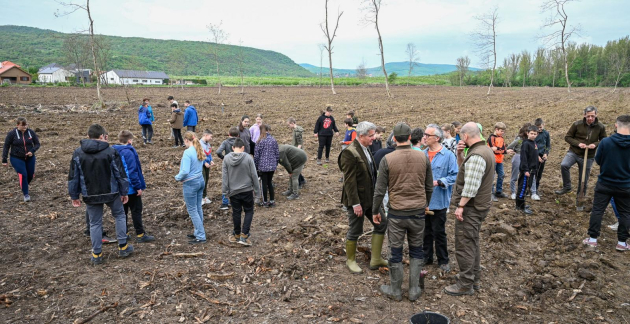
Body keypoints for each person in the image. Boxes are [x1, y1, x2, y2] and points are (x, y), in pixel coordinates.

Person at [372, 123, 433, 301]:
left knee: (395, 251)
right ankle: (414, 290)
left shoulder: (387, 159)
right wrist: (425, 204)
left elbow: (379, 189)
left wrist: (376, 210)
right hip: (417, 213)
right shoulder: (423, 157)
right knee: (416, 249)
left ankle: (395, 290)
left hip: (397, 214)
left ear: (393, 139)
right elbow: (429, 186)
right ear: (409, 137)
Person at [68, 124, 132, 264]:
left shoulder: (78, 153)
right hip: (112, 192)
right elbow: (119, 173)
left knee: (95, 223)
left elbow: (74, 176)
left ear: (88, 136)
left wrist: (74, 195)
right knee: (120, 216)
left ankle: (97, 254)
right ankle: (123, 247)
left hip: (90, 194)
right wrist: (124, 191)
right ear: (102, 136)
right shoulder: (110, 151)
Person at [444, 122, 495, 296]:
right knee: (472, 242)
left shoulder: (477, 156)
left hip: (472, 208)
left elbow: (472, 186)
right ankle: (474, 278)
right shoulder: (483, 150)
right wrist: (459, 154)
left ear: (465, 136)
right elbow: (464, 171)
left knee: (464, 244)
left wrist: (460, 206)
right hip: (479, 206)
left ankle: (465, 284)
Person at [339, 121, 388, 274]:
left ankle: (375, 259)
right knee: (356, 229)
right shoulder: (350, 152)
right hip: (358, 201)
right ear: (361, 136)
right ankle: (351, 260)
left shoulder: (366, 148)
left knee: (381, 224)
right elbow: (349, 181)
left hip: (371, 198)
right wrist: (355, 204)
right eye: (371, 135)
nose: (374, 138)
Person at [582, 115, 630, 251]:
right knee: (626, 213)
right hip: (625, 185)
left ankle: (592, 239)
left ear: (616, 125)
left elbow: (598, 160)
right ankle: (622, 243)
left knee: (597, 210)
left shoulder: (605, 142)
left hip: (605, 183)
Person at [423, 124, 458, 273]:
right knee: (425, 231)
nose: (424, 137)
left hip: (439, 201)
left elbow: (454, 175)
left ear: (436, 138)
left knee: (439, 232)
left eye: (427, 135)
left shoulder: (448, 155)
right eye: (424, 135)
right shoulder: (421, 154)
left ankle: (443, 260)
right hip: (423, 202)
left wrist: (439, 182)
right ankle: (426, 257)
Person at [113, 130, 155, 242]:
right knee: (136, 211)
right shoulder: (128, 152)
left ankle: (124, 233)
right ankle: (140, 234)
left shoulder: (113, 151)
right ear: (130, 140)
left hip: (119, 188)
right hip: (131, 189)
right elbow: (131, 172)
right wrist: (137, 187)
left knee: (123, 212)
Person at [555, 106, 607, 196]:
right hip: (574, 152)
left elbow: (604, 139)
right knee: (564, 165)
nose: (590, 118)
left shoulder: (600, 127)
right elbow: (567, 137)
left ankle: (580, 199)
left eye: (592, 116)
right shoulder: (577, 124)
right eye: (588, 116)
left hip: (589, 156)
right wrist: (578, 144)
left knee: (583, 179)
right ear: (584, 115)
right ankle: (567, 187)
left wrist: (595, 144)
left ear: (596, 115)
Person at [222, 138, 261, 246]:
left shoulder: (226, 158)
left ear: (233, 148)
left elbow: (224, 176)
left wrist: (224, 191)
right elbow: (254, 175)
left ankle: (237, 235)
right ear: (243, 147)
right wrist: (258, 192)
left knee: (236, 212)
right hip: (247, 190)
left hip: (233, 191)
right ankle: (244, 235)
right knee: (249, 211)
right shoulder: (248, 158)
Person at [175, 131, 207, 244]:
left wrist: (177, 177)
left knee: (192, 210)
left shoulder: (188, 152)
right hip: (200, 180)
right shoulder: (199, 149)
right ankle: (198, 232)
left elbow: (185, 171)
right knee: (198, 207)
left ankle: (201, 235)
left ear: (186, 140)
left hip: (191, 183)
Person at [2, 117, 40, 202]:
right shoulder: (12, 134)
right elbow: (6, 146)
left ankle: (23, 185)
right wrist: (4, 159)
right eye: (23, 125)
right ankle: (26, 194)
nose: (25, 127)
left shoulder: (31, 133)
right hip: (16, 158)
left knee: (30, 175)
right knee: (23, 174)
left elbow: (37, 144)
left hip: (30, 157)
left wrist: (32, 151)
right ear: (17, 125)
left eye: (26, 124)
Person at [515, 126, 539, 215]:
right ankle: (520, 206)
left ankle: (521, 204)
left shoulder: (534, 143)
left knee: (526, 187)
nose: (533, 135)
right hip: (526, 170)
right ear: (528, 133)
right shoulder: (526, 144)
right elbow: (524, 158)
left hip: (532, 169)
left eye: (535, 134)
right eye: (531, 133)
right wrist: (525, 170)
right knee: (522, 187)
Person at [254, 124, 279, 207]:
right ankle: (272, 201)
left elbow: (256, 156)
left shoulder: (259, 141)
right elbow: (277, 154)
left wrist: (256, 166)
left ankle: (265, 202)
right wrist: (275, 165)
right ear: (268, 130)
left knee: (264, 184)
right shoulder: (273, 140)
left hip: (262, 166)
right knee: (270, 183)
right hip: (272, 166)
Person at [506, 123, 532, 200]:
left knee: (524, 176)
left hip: (527, 158)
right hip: (518, 157)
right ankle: (513, 192)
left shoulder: (530, 141)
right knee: (514, 176)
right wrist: (514, 151)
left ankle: (522, 191)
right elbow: (509, 147)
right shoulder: (519, 140)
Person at [216, 127, 239, 210]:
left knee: (226, 182)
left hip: (228, 164)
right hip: (238, 164)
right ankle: (235, 201)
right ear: (238, 135)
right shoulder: (239, 142)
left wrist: (223, 158)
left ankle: (225, 202)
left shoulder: (225, 142)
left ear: (229, 134)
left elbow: (218, 151)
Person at [530, 118, 551, 201]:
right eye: (538, 127)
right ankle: (530, 189)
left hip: (543, 156)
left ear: (543, 125)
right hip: (534, 156)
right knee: (533, 172)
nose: (540, 129)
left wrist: (546, 153)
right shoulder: (534, 134)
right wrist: (536, 156)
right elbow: (533, 145)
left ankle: (536, 188)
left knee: (539, 173)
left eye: (541, 127)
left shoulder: (546, 134)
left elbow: (548, 145)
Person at [488, 122, 507, 201]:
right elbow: (493, 149)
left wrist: (502, 150)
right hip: (493, 159)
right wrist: (502, 150)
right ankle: (491, 193)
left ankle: (498, 191)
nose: (503, 133)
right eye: (501, 131)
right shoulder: (491, 137)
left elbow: (503, 148)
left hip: (500, 160)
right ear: (496, 129)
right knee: (492, 176)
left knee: (501, 175)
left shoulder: (501, 138)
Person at [287, 117, 306, 188]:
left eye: (289, 125)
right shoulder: (295, 130)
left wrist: (296, 152)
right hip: (296, 150)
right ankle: (302, 180)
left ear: (292, 123)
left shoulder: (297, 131)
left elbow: (299, 143)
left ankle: (300, 183)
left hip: (297, 151)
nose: (289, 127)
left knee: (296, 167)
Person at [199, 129, 215, 205]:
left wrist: (210, 160)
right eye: (210, 136)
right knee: (202, 181)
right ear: (205, 135)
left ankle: (204, 196)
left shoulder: (207, 144)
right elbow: (199, 155)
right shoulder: (199, 144)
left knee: (206, 180)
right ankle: (200, 198)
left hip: (207, 165)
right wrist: (204, 162)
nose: (211, 138)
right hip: (201, 165)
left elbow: (209, 154)